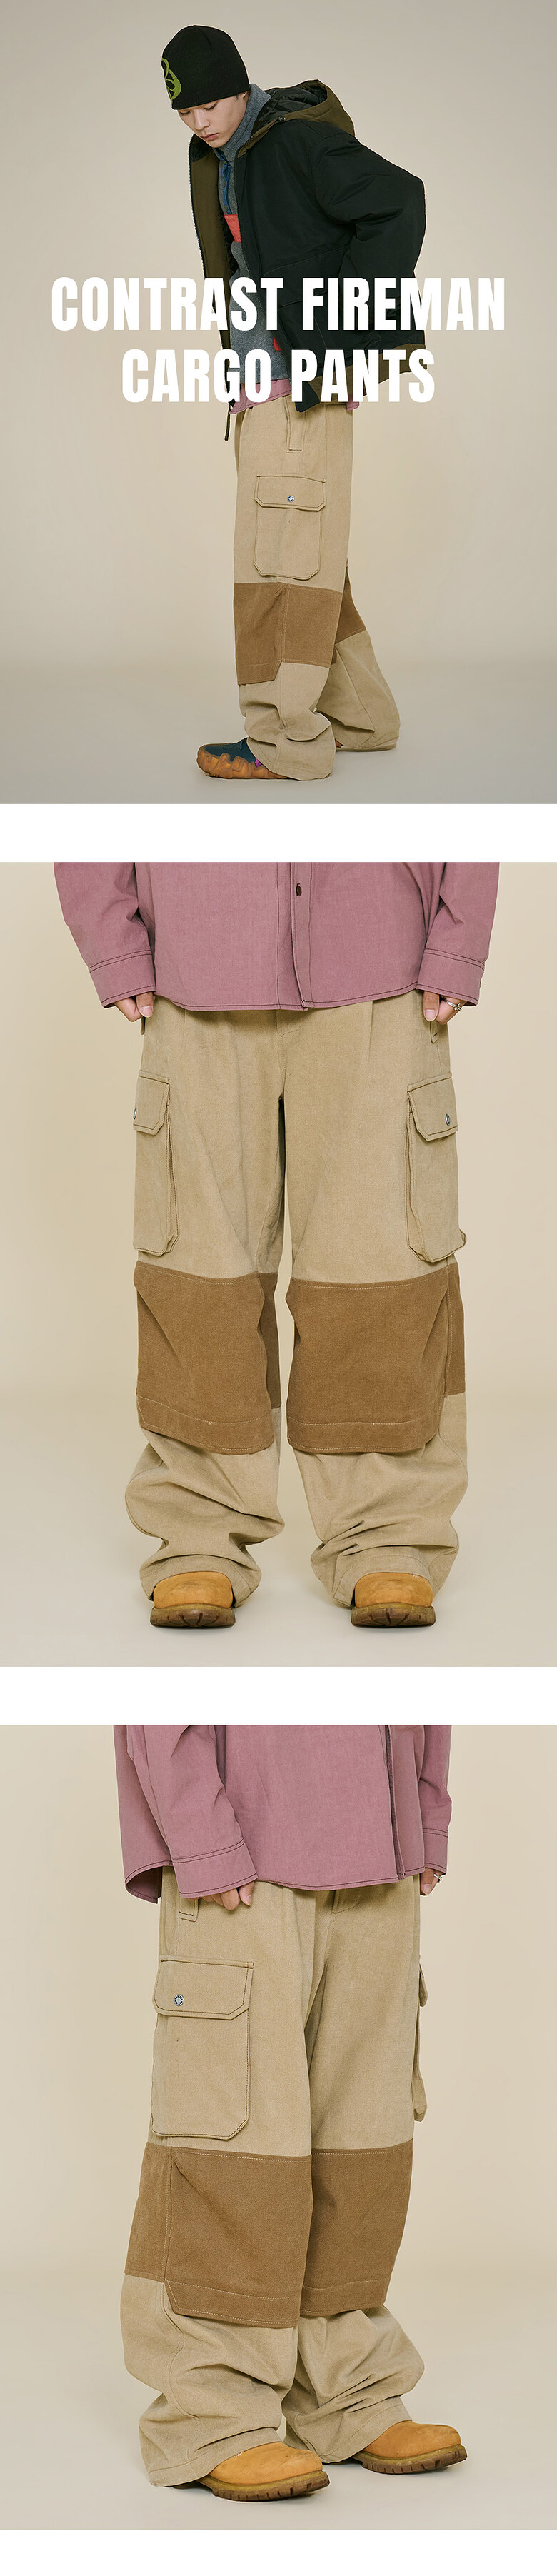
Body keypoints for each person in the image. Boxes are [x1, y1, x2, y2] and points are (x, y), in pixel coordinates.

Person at [54, 858, 498, 1633]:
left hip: (381, 963)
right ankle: (199, 1526)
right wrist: (111, 936)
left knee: (382, 1270)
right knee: (200, 1275)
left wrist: (458, 937)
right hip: (195, 967)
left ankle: (388, 1530)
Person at [116, 1720, 465, 2499]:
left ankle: (347, 2388)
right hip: (244, 1839)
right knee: (234, 2148)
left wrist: (424, 1810)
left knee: (363, 2139)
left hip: (383, 1842)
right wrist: (201, 1834)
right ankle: (213, 2412)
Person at [161, 25, 427, 781]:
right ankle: (362, 717)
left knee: (276, 568)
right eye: (184, 112)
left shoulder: (292, 142)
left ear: (239, 86)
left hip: (297, 386)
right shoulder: (222, 157)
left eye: (210, 105)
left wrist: (343, 329)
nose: (199, 122)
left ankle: (285, 741)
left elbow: (399, 200)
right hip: (263, 389)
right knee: (306, 556)